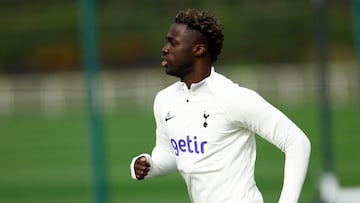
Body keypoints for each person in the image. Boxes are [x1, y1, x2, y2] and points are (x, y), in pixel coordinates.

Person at [130, 8, 311, 203]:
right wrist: (150, 165)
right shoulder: (164, 100)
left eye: (173, 43)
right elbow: (170, 153)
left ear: (199, 50)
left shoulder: (232, 97)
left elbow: (296, 142)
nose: (165, 49)